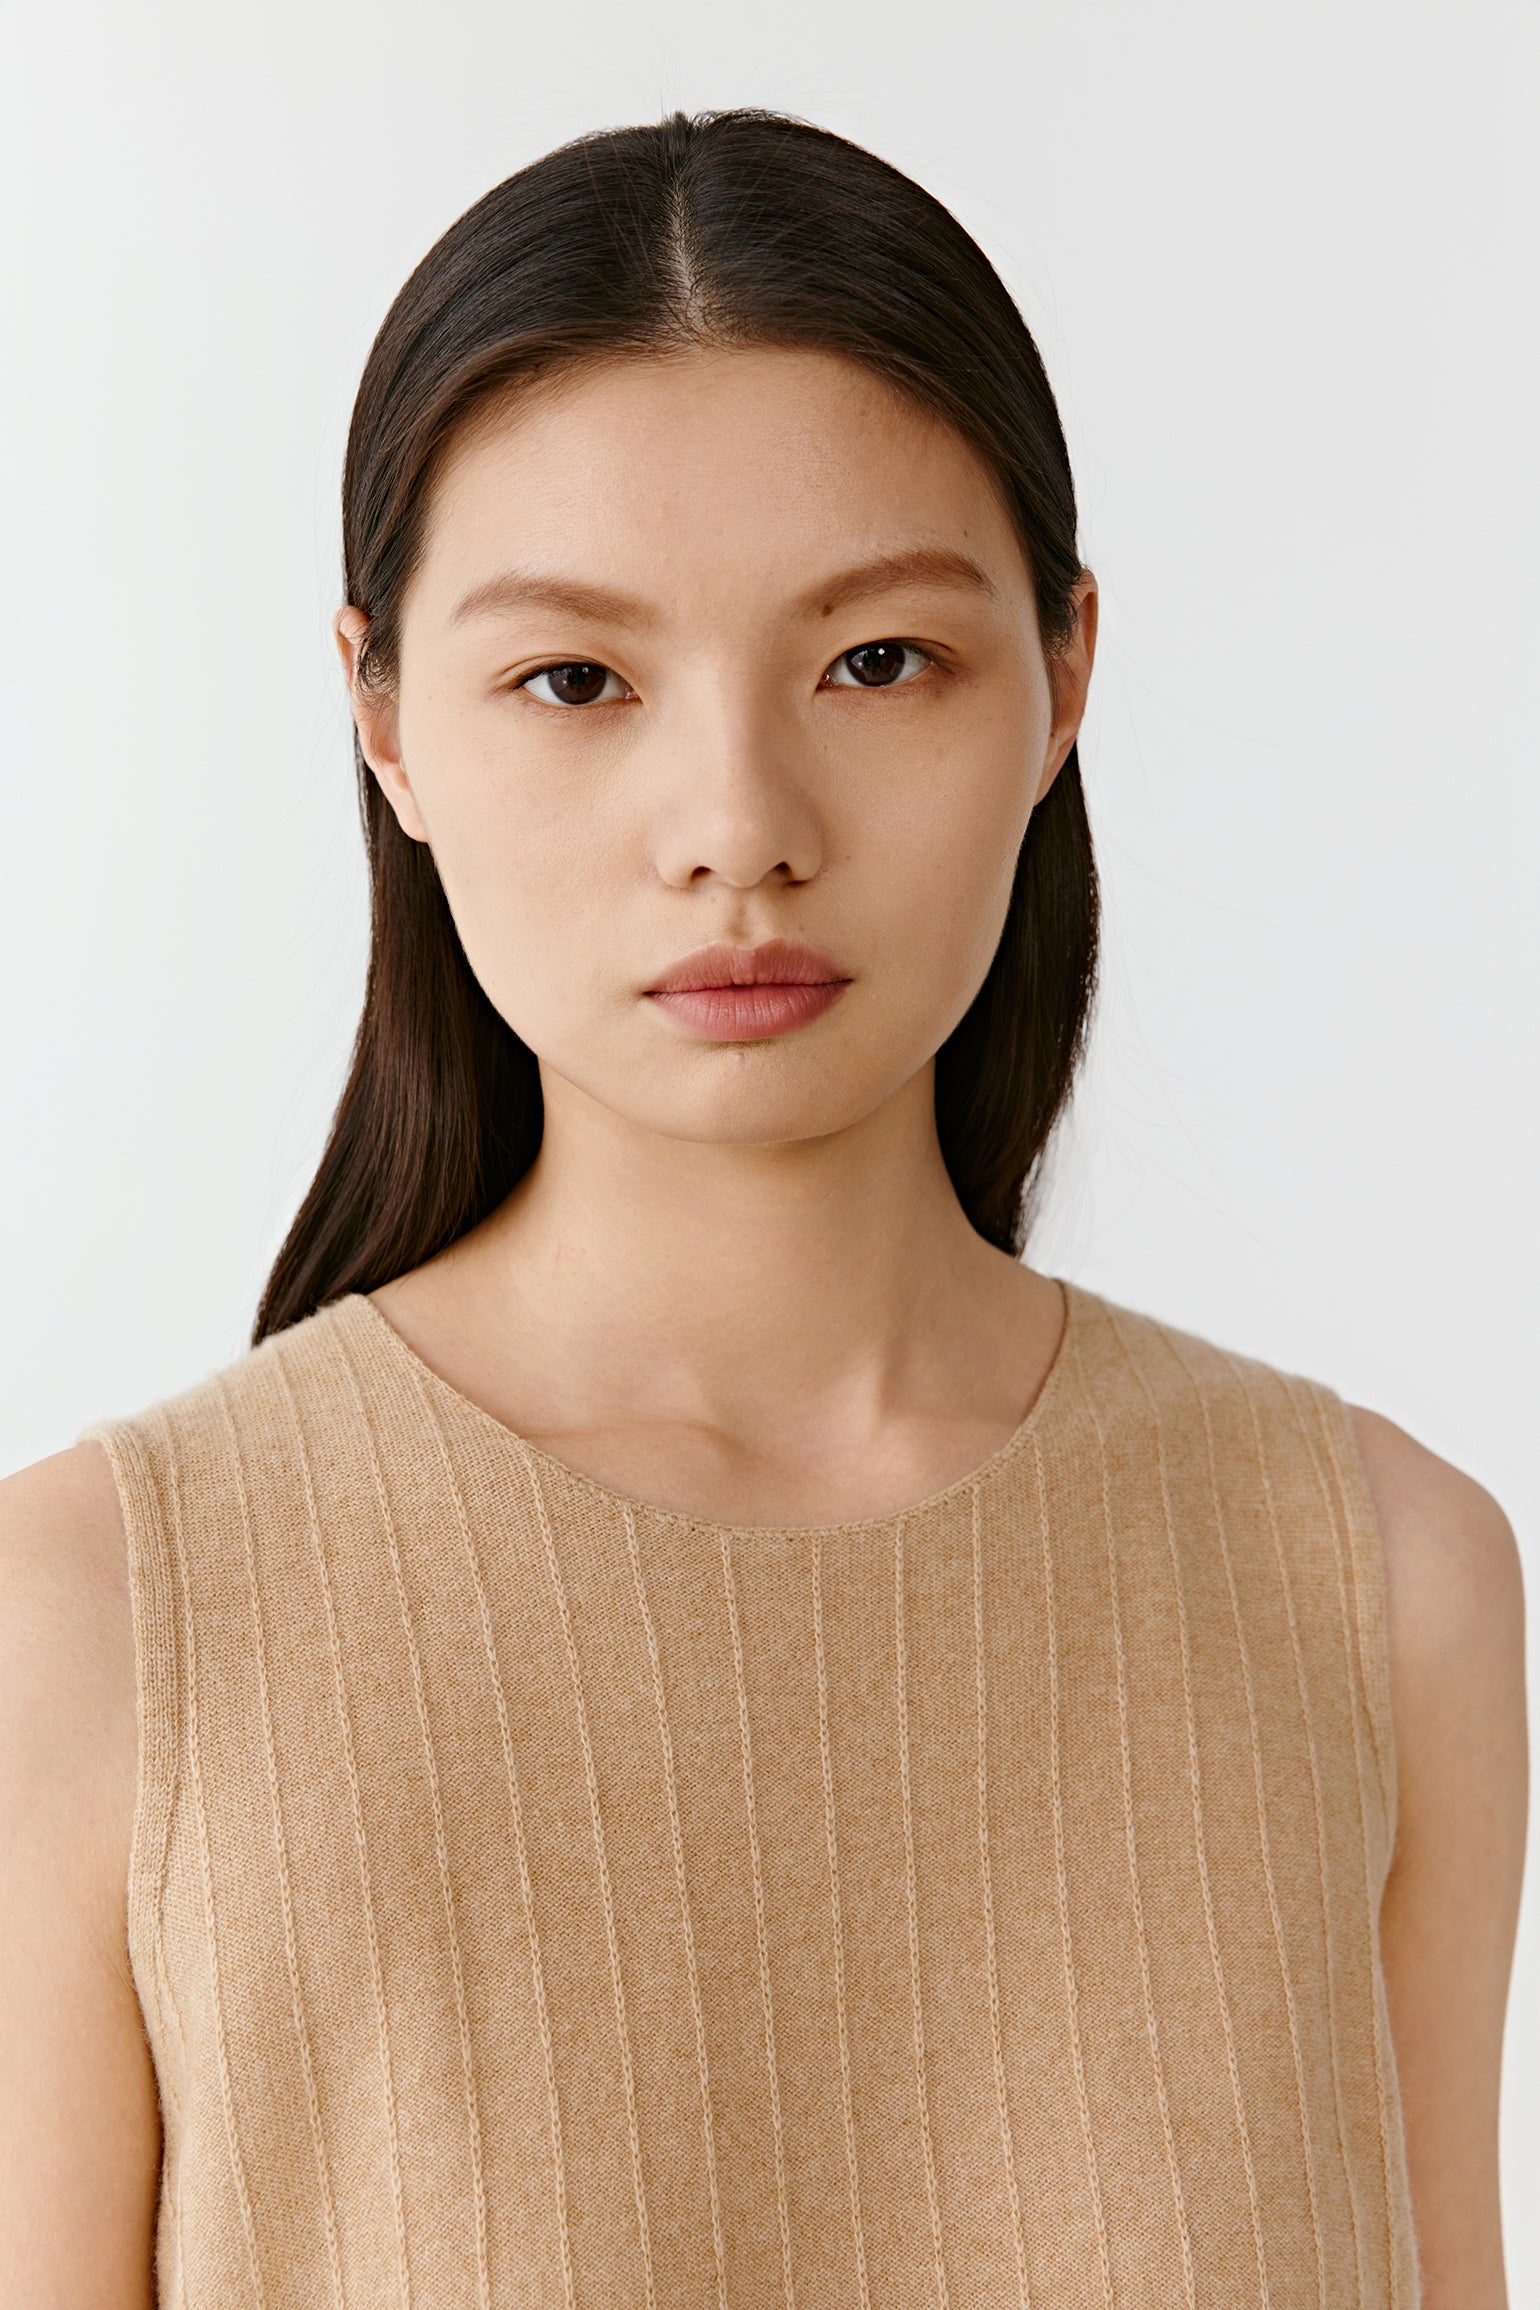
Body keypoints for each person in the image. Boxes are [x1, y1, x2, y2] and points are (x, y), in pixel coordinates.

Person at [0, 108, 1526, 2310]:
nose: (734, 823)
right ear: (384, 720)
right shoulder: (92, 1628)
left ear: (1062, 675)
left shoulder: (1380, 1584)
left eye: (876, 663)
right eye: (573, 680)